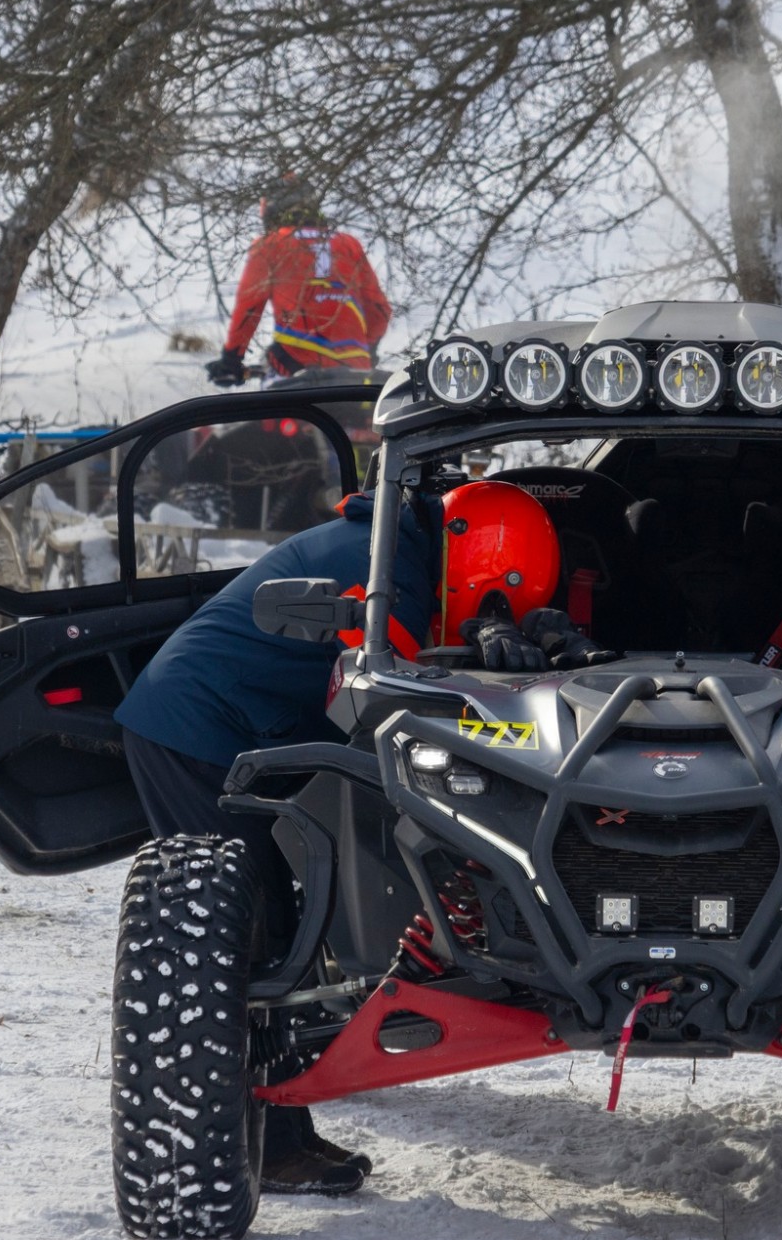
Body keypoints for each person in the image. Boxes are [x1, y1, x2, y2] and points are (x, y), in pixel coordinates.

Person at [112, 480, 610, 1195]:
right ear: (476, 564)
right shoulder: (383, 577)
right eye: (491, 598)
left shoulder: (398, 546)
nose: (486, 610)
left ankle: (279, 1112)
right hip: (193, 729)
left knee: (280, 917)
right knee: (254, 932)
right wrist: (494, 650)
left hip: (239, 721)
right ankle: (271, 1143)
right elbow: (399, 690)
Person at [205, 175, 392, 387]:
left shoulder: (271, 244)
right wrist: (366, 350)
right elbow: (379, 310)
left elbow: (249, 309)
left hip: (294, 366)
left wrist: (231, 360)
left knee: (268, 414)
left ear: (270, 208)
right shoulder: (349, 244)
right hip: (354, 369)